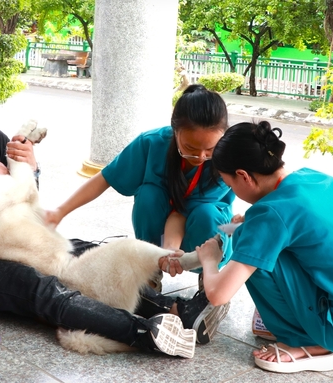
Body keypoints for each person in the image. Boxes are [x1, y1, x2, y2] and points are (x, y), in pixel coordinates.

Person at [0, 66, 218, 357]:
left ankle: (175, 311)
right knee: (39, 286)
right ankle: (144, 333)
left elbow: (23, 201)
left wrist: (33, 168)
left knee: (85, 254)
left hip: (5, 241)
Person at [170, 120, 333, 373]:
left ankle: (304, 343)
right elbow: (302, 219)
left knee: (250, 245)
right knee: (254, 238)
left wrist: (210, 259)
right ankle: (306, 330)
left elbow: (218, 295)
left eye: (230, 183)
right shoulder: (313, 178)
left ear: (244, 176)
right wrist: (252, 223)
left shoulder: (271, 215)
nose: (232, 189)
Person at [45, 84, 235, 341]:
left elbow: (181, 214)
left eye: (209, 150)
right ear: (174, 130)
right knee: (148, 195)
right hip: (167, 231)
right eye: (190, 148)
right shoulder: (151, 143)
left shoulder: (225, 159)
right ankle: (151, 271)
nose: (200, 157)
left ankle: (211, 286)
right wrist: (60, 211)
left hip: (203, 231)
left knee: (205, 213)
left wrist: (171, 251)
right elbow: (106, 178)